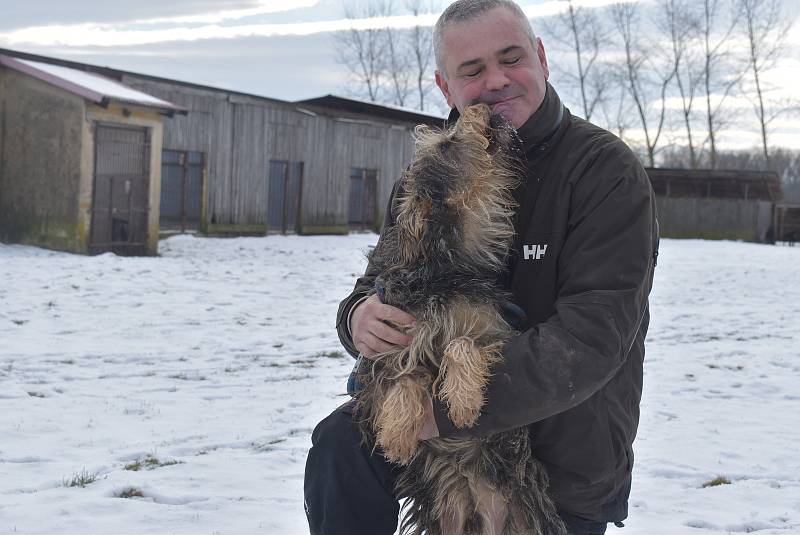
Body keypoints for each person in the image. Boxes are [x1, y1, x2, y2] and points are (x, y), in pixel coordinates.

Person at [304, 1, 659, 534]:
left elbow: (591, 338)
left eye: (511, 58)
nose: (496, 80)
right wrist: (358, 317)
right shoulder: (427, 174)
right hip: (423, 420)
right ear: (446, 88)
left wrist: (439, 412)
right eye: (471, 70)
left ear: (541, 57)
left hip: (557, 451)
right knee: (339, 446)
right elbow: (381, 280)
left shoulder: (602, 171)